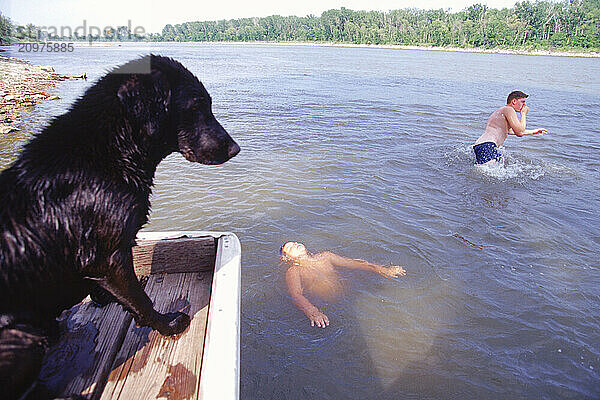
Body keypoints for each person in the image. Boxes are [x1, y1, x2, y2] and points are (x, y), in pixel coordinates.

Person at [281, 241, 406, 328]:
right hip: (329, 305)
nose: (295, 244)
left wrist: (382, 269)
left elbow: (352, 263)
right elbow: (295, 294)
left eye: (295, 242)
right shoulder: (294, 271)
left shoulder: (325, 256)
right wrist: (313, 311)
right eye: (290, 247)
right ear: (287, 258)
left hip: (351, 294)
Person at [473, 91, 548, 165]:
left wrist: (533, 132)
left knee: (486, 172)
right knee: (488, 174)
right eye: (522, 102)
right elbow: (519, 132)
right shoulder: (509, 109)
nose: (525, 105)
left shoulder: (502, 110)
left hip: (482, 145)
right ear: (514, 101)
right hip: (487, 145)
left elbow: (509, 131)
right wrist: (523, 114)